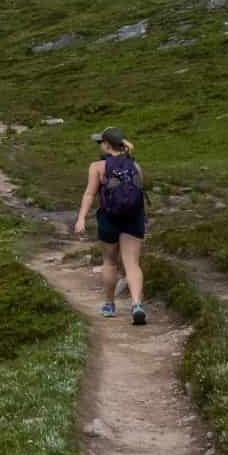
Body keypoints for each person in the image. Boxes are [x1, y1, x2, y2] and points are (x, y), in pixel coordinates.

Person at [74, 127, 149, 325]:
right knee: (132, 263)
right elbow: (139, 194)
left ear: (107, 145)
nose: (100, 145)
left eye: (101, 142)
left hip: (109, 218)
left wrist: (81, 218)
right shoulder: (135, 166)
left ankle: (109, 304)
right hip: (134, 218)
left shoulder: (97, 167)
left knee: (110, 262)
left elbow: (89, 194)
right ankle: (136, 304)